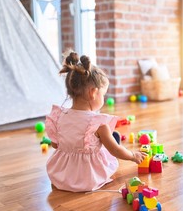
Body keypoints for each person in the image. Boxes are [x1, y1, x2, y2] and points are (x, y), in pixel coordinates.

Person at [45, 52, 147, 192]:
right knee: (112, 141)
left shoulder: (59, 117)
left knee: (104, 139)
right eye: (103, 94)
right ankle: (109, 140)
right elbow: (116, 150)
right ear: (93, 92)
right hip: (88, 178)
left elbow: (55, 145)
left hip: (61, 176)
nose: (104, 98)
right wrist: (133, 155)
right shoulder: (98, 123)